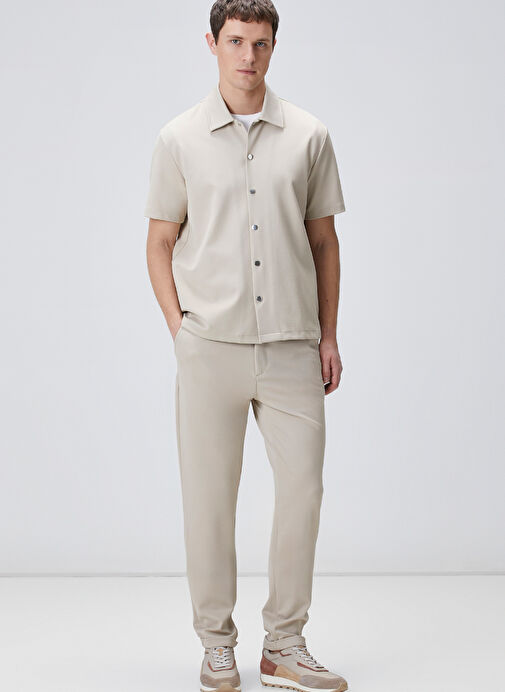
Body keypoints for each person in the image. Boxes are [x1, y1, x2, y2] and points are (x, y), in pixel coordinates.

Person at [144, 1, 348, 690]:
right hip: (211, 347)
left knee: (303, 493)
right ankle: (216, 643)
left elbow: (324, 242)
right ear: (212, 43)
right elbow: (159, 242)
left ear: (273, 47)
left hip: (292, 346)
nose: (248, 57)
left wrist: (328, 335)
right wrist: (181, 330)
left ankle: (284, 643)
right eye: (235, 41)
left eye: (260, 44)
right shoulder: (178, 138)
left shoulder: (309, 135)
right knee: (208, 501)